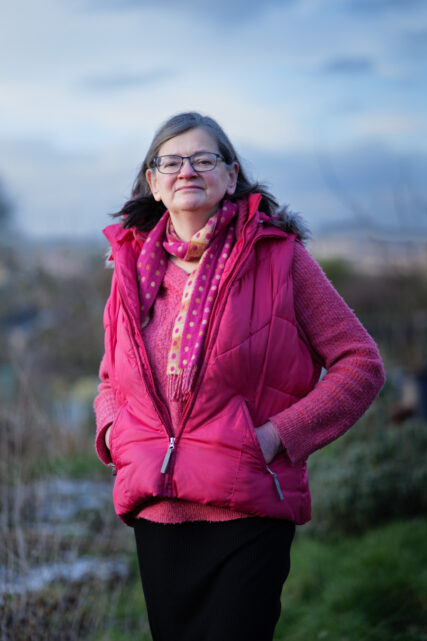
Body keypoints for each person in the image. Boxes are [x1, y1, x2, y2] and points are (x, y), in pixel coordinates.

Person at [94, 111, 385, 641]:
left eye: (205, 159)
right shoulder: (128, 275)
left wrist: (276, 437)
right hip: (158, 515)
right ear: (154, 184)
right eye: (171, 161)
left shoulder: (280, 258)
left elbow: (360, 363)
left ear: (231, 177)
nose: (187, 170)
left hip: (247, 506)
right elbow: (111, 380)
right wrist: (118, 436)